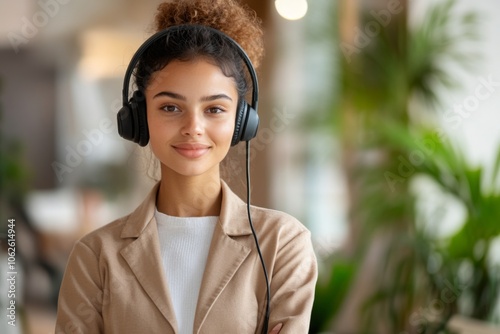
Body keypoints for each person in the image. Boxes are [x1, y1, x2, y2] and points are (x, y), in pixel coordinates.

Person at [55, 0, 317, 333]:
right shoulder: (94, 257)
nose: (193, 127)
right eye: (170, 107)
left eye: (214, 109)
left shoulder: (282, 244)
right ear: (138, 117)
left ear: (242, 121)